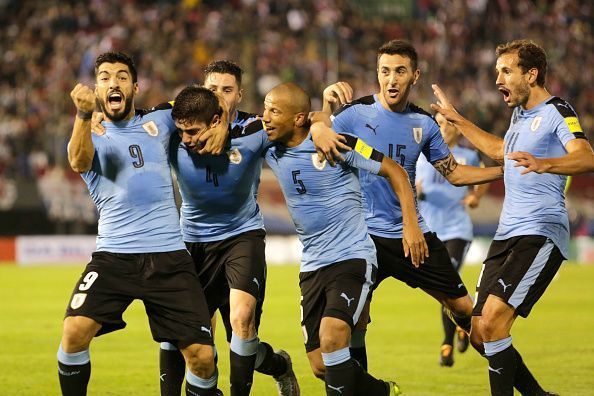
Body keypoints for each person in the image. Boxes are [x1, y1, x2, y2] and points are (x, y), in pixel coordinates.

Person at [318, 39, 503, 370]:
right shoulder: (353, 114)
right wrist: (324, 106)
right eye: (385, 71)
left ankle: (523, 385)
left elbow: (456, 173)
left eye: (400, 71)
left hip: (412, 236)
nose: (391, 79)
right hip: (362, 238)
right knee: (353, 322)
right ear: (377, 74)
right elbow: (315, 133)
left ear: (414, 76)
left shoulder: (424, 124)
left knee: (464, 309)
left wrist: (504, 171)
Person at [432, 39, 594, 396]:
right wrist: (458, 118)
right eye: (497, 72)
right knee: (477, 333)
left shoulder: (557, 110)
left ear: (531, 74)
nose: (498, 80)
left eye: (506, 71)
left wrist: (546, 164)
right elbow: (500, 152)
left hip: (540, 231)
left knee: (492, 323)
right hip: (507, 234)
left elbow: (586, 156)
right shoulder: (519, 115)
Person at [61, 52, 228, 396]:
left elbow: (207, 102)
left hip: (168, 255)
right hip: (113, 257)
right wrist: (82, 114)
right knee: (74, 332)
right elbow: (78, 161)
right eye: (105, 77)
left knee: (202, 356)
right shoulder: (90, 131)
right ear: (96, 88)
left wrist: (222, 122)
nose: (113, 83)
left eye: (122, 77)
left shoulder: (163, 118)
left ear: (135, 86)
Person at [263, 82, 430, 395]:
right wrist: (319, 119)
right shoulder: (270, 145)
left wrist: (411, 224)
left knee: (332, 338)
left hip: (351, 256)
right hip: (313, 264)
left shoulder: (341, 143)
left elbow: (395, 171)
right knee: (320, 365)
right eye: (264, 108)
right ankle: (383, 392)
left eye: (273, 110)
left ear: (296, 118)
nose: (265, 117)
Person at [162, 73, 299, 396]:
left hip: (242, 236)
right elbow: (146, 115)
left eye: (227, 90)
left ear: (240, 94)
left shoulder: (256, 129)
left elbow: (302, 119)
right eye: (212, 89)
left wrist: (320, 123)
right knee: (181, 331)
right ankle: (278, 364)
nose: (219, 95)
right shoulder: (177, 129)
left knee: (242, 322)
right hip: (193, 240)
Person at [415, 113, 490, 367]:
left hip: (457, 229)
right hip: (430, 232)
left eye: (447, 122)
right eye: (438, 123)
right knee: (447, 289)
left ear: (458, 129)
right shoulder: (421, 153)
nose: (443, 127)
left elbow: (484, 175)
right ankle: (465, 323)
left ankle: (446, 345)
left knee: (448, 284)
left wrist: (476, 197)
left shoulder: (467, 156)